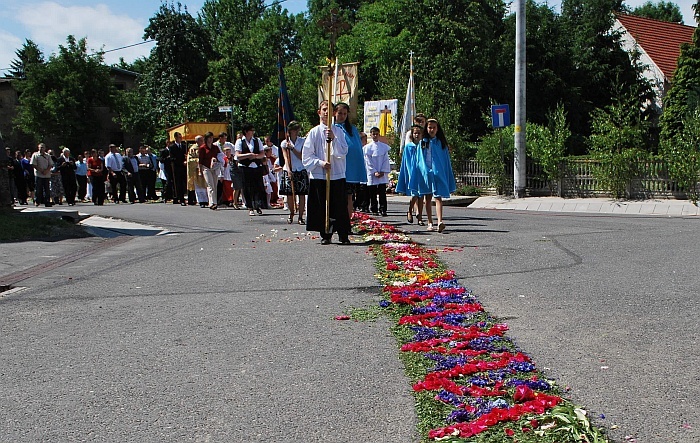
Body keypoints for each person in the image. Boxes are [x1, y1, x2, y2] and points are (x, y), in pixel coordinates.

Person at [302, 100, 350, 245]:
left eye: (330, 109)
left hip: (337, 174)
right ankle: (326, 234)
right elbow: (307, 155)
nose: (327, 112)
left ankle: (343, 234)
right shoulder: (314, 132)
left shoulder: (339, 131)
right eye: (324, 109)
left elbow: (343, 151)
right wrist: (321, 163)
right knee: (323, 205)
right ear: (319, 112)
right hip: (320, 175)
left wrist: (334, 139)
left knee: (339, 206)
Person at [415, 118, 456, 233]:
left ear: (437, 129)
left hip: (437, 173)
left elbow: (444, 160)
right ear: (426, 128)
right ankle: (430, 222)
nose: (431, 130)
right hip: (426, 173)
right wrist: (424, 170)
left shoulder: (440, 143)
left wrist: (441, 171)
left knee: (438, 197)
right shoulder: (423, 142)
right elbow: (420, 159)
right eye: (429, 127)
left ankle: (440, 221)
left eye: (434, 127)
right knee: (427, 198)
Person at [334, 102, 367, 217]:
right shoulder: (332, 128)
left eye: (344, 113)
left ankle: (347, 223)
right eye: (339, 113)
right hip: (337, 168)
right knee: (337, 197)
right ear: (334, 113)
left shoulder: (352, 129)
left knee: (349, 197)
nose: (342, 116)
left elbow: (357, 149)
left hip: (350, 170)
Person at [396, 124, 430, 226]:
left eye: (419, 133)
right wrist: (410, 172)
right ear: (412, 134)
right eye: (415, 133)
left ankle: (420, 217)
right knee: (415, 194)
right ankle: (410, 210)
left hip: (421, 172)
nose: (417, 135)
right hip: (412, 172)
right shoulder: (409, 147)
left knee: (421, 195)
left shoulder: (424, 145)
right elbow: (407, 161)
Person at [279, 120, 308, 224]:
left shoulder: (302, 141)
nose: (296, 131)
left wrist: (293, 148)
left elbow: (302, 156)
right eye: (294, 130)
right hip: (290, 169)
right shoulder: (284, 143)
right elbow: (285, 158)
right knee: (290, 194)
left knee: (302, 194)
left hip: (300, 168)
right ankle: (291, 213)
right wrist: (288, 169)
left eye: (297, 129)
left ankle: (300, 216)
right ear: (290, 131)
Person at [235, 123, 266, 216]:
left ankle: (257, 205)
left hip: (256, 166)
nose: (252, 132)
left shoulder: (257, 140)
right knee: (246, 187)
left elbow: (262, 154)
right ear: (246, 131)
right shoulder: (240, 141)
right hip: (245, 167)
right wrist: (249, 155)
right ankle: (250, 207)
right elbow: (238, 155)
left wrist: (255, 156)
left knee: (258, 186)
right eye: (251, 130)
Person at [363, 127, 391, 217]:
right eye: (373, 134)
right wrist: (374, 171)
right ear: (370, 135)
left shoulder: (383, 147)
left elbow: (386, 160)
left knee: (382, 192)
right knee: (373, 192)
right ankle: (374, 208)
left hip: (381, 172)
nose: (375, 136)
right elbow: (368, 161)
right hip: (373, 173)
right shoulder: (367, 148)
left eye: (376, 134)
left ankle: (383, 209)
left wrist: (383, 170)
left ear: (379, 135)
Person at [198, 131, 221, 210]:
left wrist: (216, 160)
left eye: (212, 138)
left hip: (214, 168)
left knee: (215, 184)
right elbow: (200, 161)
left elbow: (220, 156)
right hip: (206, 168)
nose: (211, 139)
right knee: (210, 185)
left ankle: (215, 202)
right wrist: (200, 171)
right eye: (209, 138)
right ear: (206, 139)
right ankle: (212, 203)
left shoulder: (215, 147)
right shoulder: (202, 148)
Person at [187, 135, 208, 207]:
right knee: (199, 187)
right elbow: (189, 160)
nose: (203, 142)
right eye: (201, 140)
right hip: (196, 170)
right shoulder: (193, 149)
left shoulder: (206, 147)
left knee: (206, 186)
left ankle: (207, 200)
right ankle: (201, 201)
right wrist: (198, 161)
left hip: (205, 168)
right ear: (197, 141)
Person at [170, 132, 188, 205]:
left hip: (184, 167)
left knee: (185, 183)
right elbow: (172, 158)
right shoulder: (172, 147)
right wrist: (181, 162)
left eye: (181, 137)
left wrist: (186, 160)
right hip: (177, 168)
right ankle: (181, 199)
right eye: (179, 137)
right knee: (179, 184)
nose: (181, 139)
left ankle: (188, 198)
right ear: (176, 138)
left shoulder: (184, 146)